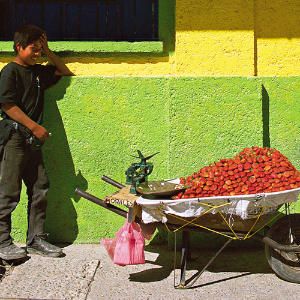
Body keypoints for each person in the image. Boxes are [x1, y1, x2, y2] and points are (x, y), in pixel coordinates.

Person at [0, 24, 74, 260]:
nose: (37, 54)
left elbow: (64, 71)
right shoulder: (9, 72)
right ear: (19, 47)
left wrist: (48, 51)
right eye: (33, 49)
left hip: (33, 141)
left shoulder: (38, 72)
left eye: (39, 50)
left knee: (40, 188)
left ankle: (36, 239)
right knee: (9, 192)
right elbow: (7, 105)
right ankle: (3, 242)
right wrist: (35, 126)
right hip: (14, 138)